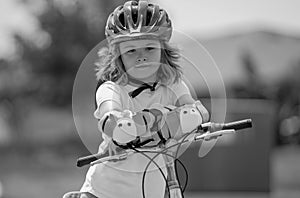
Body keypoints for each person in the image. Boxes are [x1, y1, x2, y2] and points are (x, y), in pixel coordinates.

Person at [63, 1, 209, 198]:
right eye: (131, 51)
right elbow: (109, 115)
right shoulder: (112, 88)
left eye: (149, 48)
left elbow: (191, 108)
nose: (141, 57)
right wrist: (121, 126)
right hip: (104, 191)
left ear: (163, 50)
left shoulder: (172, 85)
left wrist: (195, 116)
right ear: (118, 56)